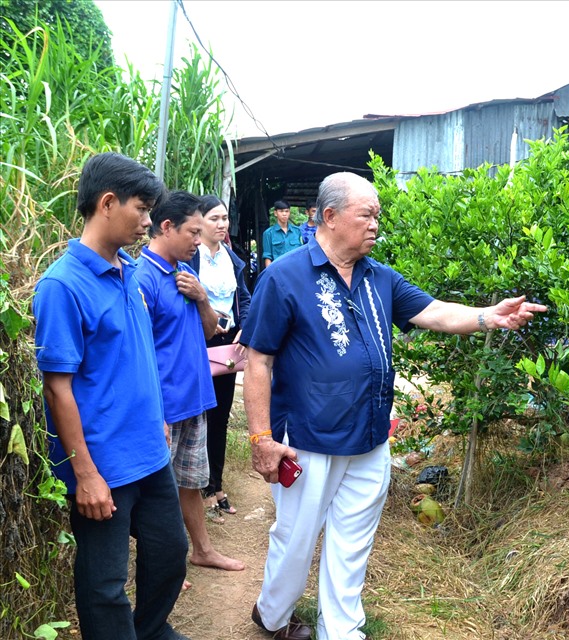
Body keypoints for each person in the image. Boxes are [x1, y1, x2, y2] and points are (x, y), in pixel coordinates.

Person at [242, 172, 547, 640]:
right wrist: (261, 438)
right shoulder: (283, 278)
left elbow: (434, 312)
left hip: (369, 436)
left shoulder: (378, 277)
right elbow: (258, 360)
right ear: (330, 217)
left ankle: (341, 631)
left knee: (352, 541)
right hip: (308, 437)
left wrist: (489, 316)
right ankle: (274, 615)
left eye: (377, 216)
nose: (375, 225)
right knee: (297, 539)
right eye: (366, 215)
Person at [33, 152, 191, 640]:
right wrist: (85, 473)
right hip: (103, 463)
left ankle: (148, 631)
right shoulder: (62, 286)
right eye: (141, 210)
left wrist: (159, 418)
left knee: (170, 553)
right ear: (107, 203)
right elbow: (57, 387)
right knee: (105, 584)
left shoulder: (128, 271)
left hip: (148, 452)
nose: (148, 222)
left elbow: (137, 358)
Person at [137, 190, 246, 582]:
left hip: (194, 398)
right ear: (166, 227)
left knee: (189, 484)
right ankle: (164, 563)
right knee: (157, 495)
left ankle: (202, 551)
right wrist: (154, 413)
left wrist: (202, 298)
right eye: (193, 232)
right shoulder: (142, 279)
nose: (199, 241)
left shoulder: (187, 273)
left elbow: (208, 330)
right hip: (165, 408)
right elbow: (138, 355)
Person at [190, 194, 252, 516]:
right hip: (200, 343)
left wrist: (246, 326)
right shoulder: (191, 257)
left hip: (228, 346)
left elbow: (245, 298)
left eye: (224, 218)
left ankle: (216, 484)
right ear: (198, 222)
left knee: (221, 416)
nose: (222, 224)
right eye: (214, 218)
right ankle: (197, 487)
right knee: (198, 414)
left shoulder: (231, 257)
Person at [261, 199, 300, 267]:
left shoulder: (297, 231)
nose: (284, 214)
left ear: (289, 213)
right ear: (275, 213)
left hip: (295, 270)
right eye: (281, 211)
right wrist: (270, 275)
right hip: (278, 271)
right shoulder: (268, 233)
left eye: (286, 211)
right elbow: (267, 257)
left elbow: (301, 254)